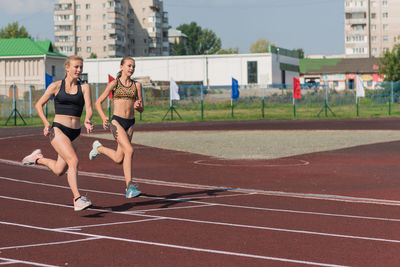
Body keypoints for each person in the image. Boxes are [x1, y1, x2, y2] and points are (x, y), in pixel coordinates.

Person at [22, 55, 94, 211]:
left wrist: (87, 119)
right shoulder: (55, 86)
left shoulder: (85, 87)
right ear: (67, 67)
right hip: (58, 129)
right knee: (73, 161)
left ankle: (37, 159)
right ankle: (77, 199)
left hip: (75, 132)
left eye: (81, 67)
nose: (79, 70)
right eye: (76, 67)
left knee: (59, 170)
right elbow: (39, 105)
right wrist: (46, 123)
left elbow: (89, 108)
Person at [89, 57, 143, 198]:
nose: (131, 68)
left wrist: (139, 107)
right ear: (121, 67)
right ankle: (129, 187)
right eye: (129, 65)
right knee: (129, 150)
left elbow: (142, 109)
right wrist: (103, 117)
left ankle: (98, 148)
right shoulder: (114, 84)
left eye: (133, 66)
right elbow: (98, 102)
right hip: (116, 122)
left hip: (130, 123)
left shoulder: (137, 85)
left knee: (119, 158)